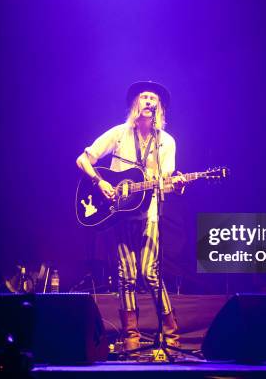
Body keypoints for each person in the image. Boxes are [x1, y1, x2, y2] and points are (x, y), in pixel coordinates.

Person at [76, 81, 186, 355]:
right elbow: (83, 160)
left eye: (154, 98)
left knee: (150, 273)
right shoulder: (118, 134)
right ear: (135, 104)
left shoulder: (167, 141)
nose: (149, 101)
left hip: (149, 215)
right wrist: (100, 182)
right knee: (126, 276)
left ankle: (171, 334)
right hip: (120, 216)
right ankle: (131, 338)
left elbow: (167, 181)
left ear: (159, 107)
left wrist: (178, 183)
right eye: (144, 97)